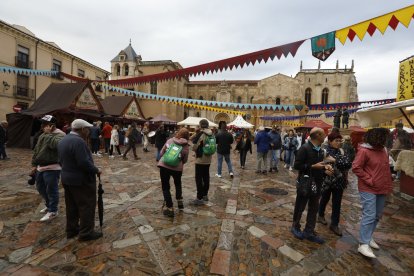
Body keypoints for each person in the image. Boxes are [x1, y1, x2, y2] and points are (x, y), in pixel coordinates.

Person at [58, 119, 102, 241]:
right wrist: (96, 170)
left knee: (71, 205)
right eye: (88, 130)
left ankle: (71, 230)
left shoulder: (64, 140)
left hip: (67, 178)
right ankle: (86, 233)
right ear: (83, 129)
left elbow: (60, 160)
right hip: (80, 180)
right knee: (86, 205)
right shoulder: (79, 142)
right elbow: (83, 162)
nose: (88, 132)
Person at [352, 128, 393, 258]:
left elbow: (385, 168)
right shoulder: (364, 150)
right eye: (384, 137)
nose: (387, 140)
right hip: (368, 187)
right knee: (369, 214)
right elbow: (356, 167)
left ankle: (368, 237)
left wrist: (388, 184)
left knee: (377, 215)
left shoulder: (384, 150)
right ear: (377, 137)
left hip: (382, 187)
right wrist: (369, 179)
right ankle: (363, 244)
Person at [291, 127, 334, 244]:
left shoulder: (320, 150)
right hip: (305, 183)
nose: (326, 135)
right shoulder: (304, 148)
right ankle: (295, 226)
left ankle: (309, 231)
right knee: (300, 206)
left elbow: (319, 165)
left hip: (317, 183)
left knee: (314, 207)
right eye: (324, 134)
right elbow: (297, 165)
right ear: (318, 135)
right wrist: (312, 166)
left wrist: (325, 169)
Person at [31, 115, 65, 222]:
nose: (42, 126)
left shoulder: (60, 135)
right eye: (42, 124)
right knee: (40, 188)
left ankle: (53, 211)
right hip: (40, 167)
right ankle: (49, 205)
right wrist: (33, 164)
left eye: (44, 124)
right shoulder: (43, 135)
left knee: (51, 189)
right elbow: (37, 150)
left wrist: (49, 134)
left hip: (52, 167)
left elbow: (56, 145)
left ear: (51, 125)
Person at [317, 132, 352, 236]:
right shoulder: (324, 151)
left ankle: (334, 224)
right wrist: (324, 169)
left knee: (337, 203)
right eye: (336, 140)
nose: (338, 142)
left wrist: (335, 160)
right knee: (324, 198)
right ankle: (320, 215)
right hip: (327, 181)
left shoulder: (342, 151)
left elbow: (347, 164)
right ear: (330, 141)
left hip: (339, 182)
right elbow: (320, 164)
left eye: (339, 140)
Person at [158, 128, 190, 217]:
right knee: (178, 184)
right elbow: (185, 160)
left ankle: (170, 207)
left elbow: (161, 152)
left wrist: (166, 157)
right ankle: (180, 202)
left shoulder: (170, 140)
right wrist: (178, 162)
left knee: (165, 186)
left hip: (164, 166)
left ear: (178, 133)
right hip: (177, 168)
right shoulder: (186, 146)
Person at [191, 119, 214, 205]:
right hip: (208, 159)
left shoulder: (201, 134)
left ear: (201, 125)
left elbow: (194, 146)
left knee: (198, 178)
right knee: (206, 177)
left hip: (200, 160)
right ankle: (205, 194)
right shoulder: (212, 133)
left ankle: (199, 197)